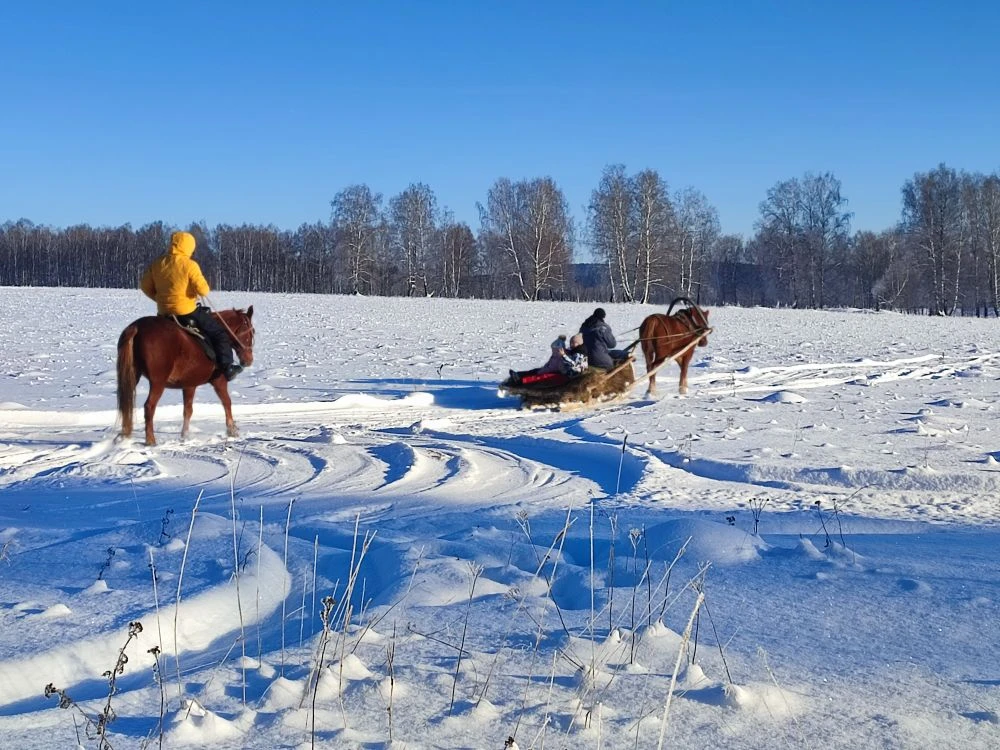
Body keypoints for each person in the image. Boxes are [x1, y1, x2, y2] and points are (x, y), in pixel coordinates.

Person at [140, 231, 242, 381]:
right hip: (186, 310)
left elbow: (144, 286)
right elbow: (203, 290)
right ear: (188, 247)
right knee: (219, 333)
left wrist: (159, 299)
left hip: (164, 312)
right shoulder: (189, 265)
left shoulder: (158, 263)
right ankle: (227, 367)